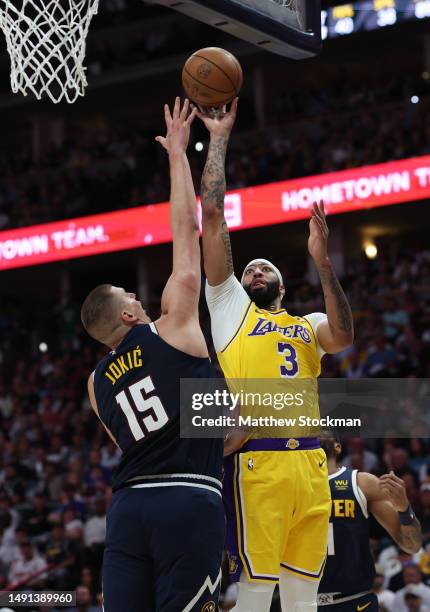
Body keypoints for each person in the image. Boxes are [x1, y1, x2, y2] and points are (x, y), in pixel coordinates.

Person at [197, 101, 354, 612]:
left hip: (311, 463)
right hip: (259, 461)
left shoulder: (305, 326)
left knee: (304, 599)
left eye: (265, 270)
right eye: (249, 271)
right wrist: (219, 138)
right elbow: (215, 215)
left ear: (283, 288)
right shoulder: (229, 311)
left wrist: (323, 262)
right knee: (257, 595)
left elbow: (345, 334)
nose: (255, 272)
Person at [81, 98, 224, 612]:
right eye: (129, 296)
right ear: (126, 317)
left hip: (127, 510)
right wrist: (178, 155)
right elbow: (187, 231)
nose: (139, 298)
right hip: (186, 500)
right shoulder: (172, 324)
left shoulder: (96, 386)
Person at [318, 431, 422, 611]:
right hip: (304, 601)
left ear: (338, 447)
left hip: (356, 601)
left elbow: (411, 545)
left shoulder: (361, 483)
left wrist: (404, 509)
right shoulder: (291, 487)